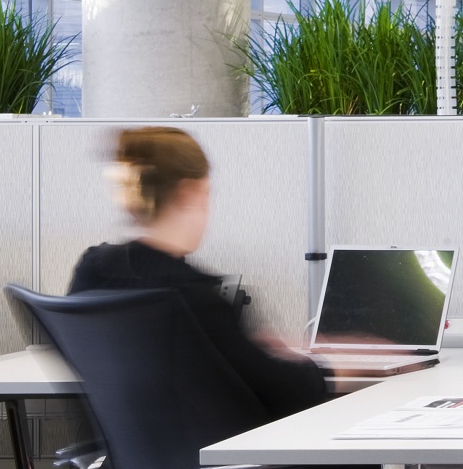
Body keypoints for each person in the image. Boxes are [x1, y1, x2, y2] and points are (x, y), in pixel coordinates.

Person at [69, 127, 331, 422]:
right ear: (189, 193)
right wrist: (320, 367)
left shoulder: (92, 270)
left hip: (125, 465)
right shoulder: (198, 297)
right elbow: (288, 393)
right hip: (223, 465)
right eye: (207, 193)